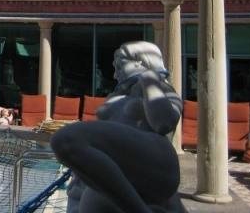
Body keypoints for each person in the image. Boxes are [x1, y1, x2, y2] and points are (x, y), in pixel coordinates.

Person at [51, 41, 183, 213]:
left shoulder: (161, 88)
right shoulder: (116, 95)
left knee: (66, 140)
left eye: (119, 67)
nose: (114, 75)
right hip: (123, 167)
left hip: (156, 160)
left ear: (140, 62)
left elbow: (164, 123)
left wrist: (149, 80)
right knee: (91, 201)